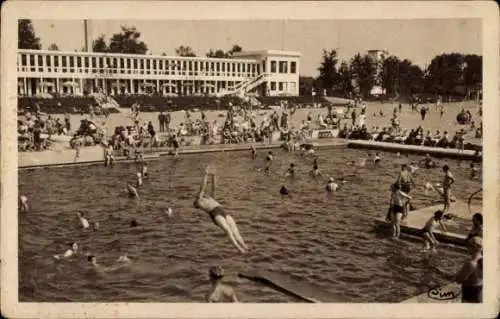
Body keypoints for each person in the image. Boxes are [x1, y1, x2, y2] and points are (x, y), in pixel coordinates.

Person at [193, 166, 249, 254]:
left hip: (222, 210)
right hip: (215, 213)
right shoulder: (199, 201)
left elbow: (214, 188)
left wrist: (214, 175)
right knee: (228, 230)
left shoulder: (210, 198)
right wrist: (205, 174)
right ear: (196, 205)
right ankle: (238, 248)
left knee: (235, 229)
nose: (196, 198)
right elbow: (202, 188)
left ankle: (244, 245)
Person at [455, 236, 483, 303]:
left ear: (474, 247)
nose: (467, 247)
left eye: (468, 245)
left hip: (469, 297)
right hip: (479, 295)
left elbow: (458, 280)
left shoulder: (471, 264)